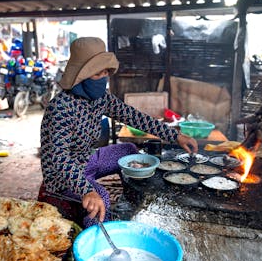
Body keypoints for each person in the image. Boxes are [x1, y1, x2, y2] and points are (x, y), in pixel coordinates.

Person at [39, 37, 198, 227]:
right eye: (98, 73)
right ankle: (94, 243)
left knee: (129, 150)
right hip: (62, 178)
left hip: (87, 161)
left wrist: (175, 135)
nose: (105, 77)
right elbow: (59, 159)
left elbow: (133, 116)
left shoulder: (100, 98)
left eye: (106, 71)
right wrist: (87, 189)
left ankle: (131, 200)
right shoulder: (61, 107)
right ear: (81, 76)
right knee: (102, 199)